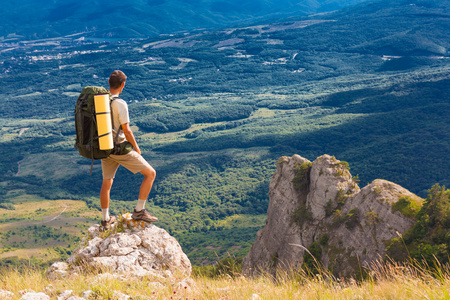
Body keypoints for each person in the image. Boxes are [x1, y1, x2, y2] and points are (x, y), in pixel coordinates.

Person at [100, 70, 158, 227]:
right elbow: (127, 130)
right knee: (150, 174)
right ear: (123, 85)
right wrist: (136, 148)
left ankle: (105, 219)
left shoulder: (100, 101)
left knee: (107, 183)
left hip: (104, 148)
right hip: (119, 148)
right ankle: (139, 210)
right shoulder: (120, 104)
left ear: (109, 83)